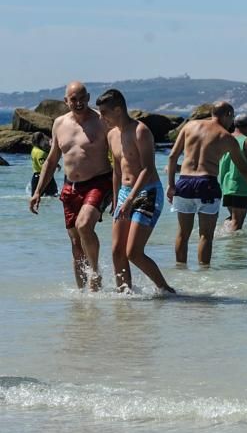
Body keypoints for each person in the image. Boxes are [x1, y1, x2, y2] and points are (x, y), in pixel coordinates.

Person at [29, 81, 112, 290]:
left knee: (84, 225)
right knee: (76, 244)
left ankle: (95, 275)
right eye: (73, 99)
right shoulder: (59, 123)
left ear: (89, 97)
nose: (78, 102)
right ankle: (82, 297)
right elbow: (51, 159)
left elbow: (119, 156)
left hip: (98, 182)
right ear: (66, 101)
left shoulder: (101, 121)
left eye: (82, 97)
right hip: (70, 186)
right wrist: (37, 191)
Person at [166, 101, 247, 266]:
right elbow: (244, 169)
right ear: (228, 115)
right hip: (206, 183)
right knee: (206, 235)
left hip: (184, 182)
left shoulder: (189, 126)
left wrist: (171, 185)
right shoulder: (225, 136)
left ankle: (181, 272)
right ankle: (204, 274)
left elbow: (172, 157)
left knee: (182, 234)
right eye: (232, 117)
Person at [95, 89, 175, 295]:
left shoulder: (141, 131)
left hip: (147, 192)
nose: (101, 117)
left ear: (118, 109)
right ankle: (125, 293)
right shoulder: (112, 135)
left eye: (104, 112)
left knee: (133, 252)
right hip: (124, 192)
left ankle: (165, 290)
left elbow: (148, 169)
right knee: (117, 250)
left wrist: (130, 199)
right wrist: (116, 200)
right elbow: (117, 170)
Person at [219, 114, 247, 230]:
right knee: (237, 223)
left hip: (225, 185)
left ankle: (222, 238)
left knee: (232, 219)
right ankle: (232, 246)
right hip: (240, 187)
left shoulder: (224, 139)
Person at [29, 132, 58, 197]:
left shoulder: (34, 150)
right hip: (44, 177)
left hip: (36, 177)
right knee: (54, 197)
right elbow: (44, 167)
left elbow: (46, 161)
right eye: (44, 140)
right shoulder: (41, 153)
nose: (46, 141)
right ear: (41, 140)